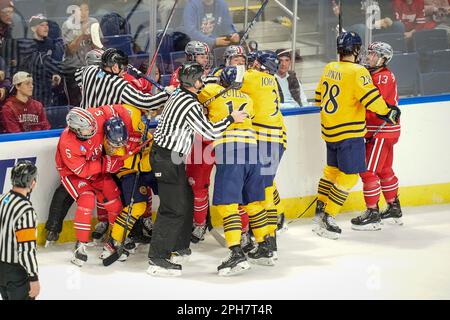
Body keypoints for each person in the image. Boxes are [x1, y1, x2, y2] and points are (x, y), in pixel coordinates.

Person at [147, 62, 247, 277]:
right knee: (172, 208)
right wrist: (231, 118)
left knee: (186, 200)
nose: (203, 82)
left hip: (170, 157)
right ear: (193, 82)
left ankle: (179, 247)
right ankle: (157, 258)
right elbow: (210, 131)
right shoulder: (189, 104)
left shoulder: (180, 95)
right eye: (200, 79)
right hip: (166, 158)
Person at [313, 32, 400, 240]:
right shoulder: (358, 71)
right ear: (356, 50)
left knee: (332, 171)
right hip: (349, 133)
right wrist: (388, 112)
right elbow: (373, 100)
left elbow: (318, 98)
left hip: (329, 131)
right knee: (351, 175)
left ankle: (320, 209)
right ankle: (329, 216)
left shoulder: (329, 67)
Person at [198, 66, 270, 275]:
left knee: (228, 206)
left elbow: (195, 91)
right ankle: (265, 246)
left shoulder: (212, 91)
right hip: (254, 151)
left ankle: (236, 253)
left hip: (231, 151)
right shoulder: (248, 99)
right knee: (253, 203)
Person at [55, 107, 126, 267]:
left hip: (96, 168)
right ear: (76, 130)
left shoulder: (94, 119)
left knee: (114, 201)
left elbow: (114, 110)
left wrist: (125, 130)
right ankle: (80, 245)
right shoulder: (67, 142)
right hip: (73, 174)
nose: (93, 128)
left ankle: (114, 240)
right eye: (88, 128)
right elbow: (82, 170)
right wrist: (106, 163)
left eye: (93, 124)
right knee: (87, 200)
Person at [240, 50, 287, 259]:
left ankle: (268, 243)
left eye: (254, 62)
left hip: (266, 142)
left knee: (262, 192)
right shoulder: (271, 80)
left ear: (261, 65)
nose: (251, 64)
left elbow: (226, 80)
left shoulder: (254, 78)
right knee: (264, 189)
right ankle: (269, 237)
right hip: (274, 141)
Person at [351, 42, 402, 230]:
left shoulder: (382, 77)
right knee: (384, 171)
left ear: (384, 59)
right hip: (385, 131)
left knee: (367, 171)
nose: (370, 57)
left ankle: (372, 212)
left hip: (381, 130)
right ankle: (393, 208)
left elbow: (373, 101)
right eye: (370, 54)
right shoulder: (376, 74)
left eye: (374, 55)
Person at [75, 48, 172, 110]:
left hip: (84, 122)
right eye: (123, 68)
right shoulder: (119, 85)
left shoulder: (89, 71)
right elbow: (145, 102)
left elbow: (79, 75)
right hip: (102, 132)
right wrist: (166, 93)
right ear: (115, 67)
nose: (124, 72)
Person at [0, 160, 40, 300]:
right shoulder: (26, 210)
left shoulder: (2, 199)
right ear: (32, 183)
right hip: (17, 274)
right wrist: (33, 278)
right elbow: (26, 250)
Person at [18, 14, 63, 108]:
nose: (46, 28)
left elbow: (55, 63)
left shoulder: (51, 43)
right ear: (33, 28)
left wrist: (56, 74)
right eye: (42, 25)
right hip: (33, 87)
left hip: (49, 90)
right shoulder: (27, 45)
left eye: (47, 25)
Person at [61, 0, 101, 106]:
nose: (84, 13)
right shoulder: (67, 25)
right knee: (77, 104)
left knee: (95, 101)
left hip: (91, 69)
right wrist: (82, 33)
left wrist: (93, 37)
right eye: (80, 10)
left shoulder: (94, 22)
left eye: (86, 10)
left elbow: (99, 48)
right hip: (73, 70)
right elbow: (71, 49)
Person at [0, 0, 17, 78]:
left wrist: (13, 58)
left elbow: (11, 46)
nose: (10, 15)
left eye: (11, 12)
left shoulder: (8, 28)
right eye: (6, 12)